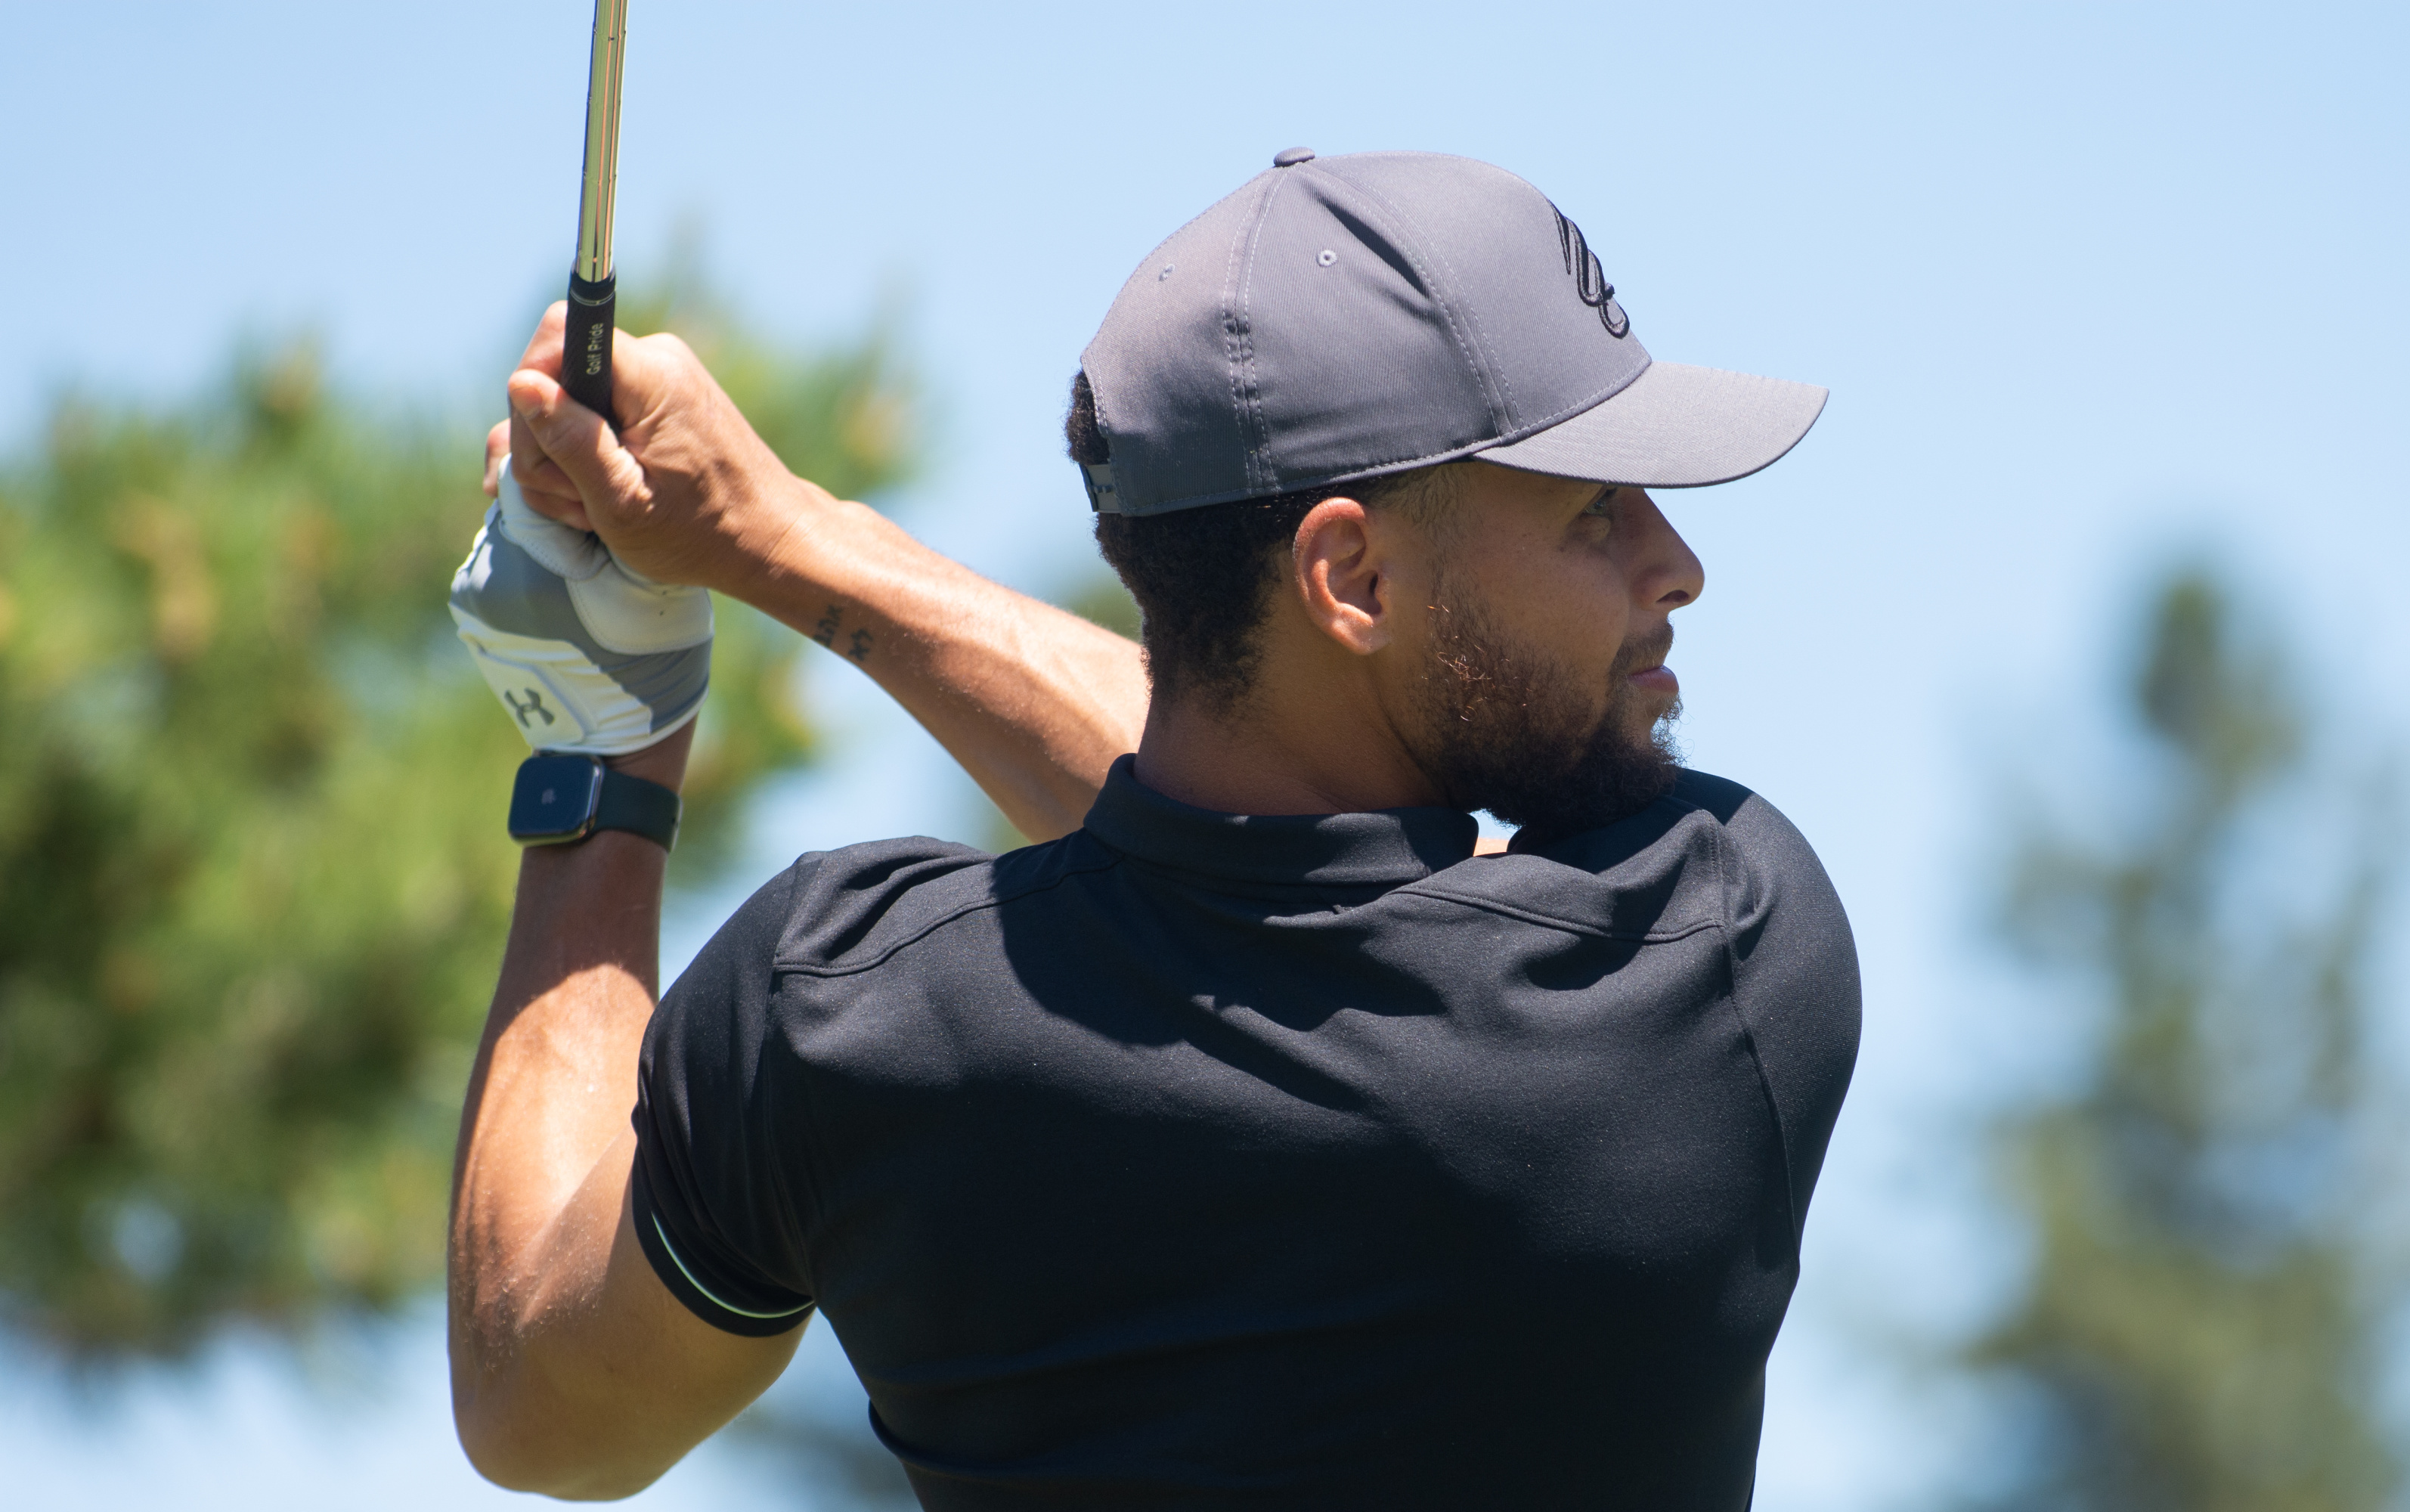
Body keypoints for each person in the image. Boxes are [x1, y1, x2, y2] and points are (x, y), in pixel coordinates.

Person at [448, 149, 1859, 1511]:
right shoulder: (1712, 948)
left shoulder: (847, 1018)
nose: (1676, 565)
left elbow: (537, 1408)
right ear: (1348, 578)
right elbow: (1288, 870)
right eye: (1592, 515)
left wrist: (607, 737)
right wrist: (788, 537)